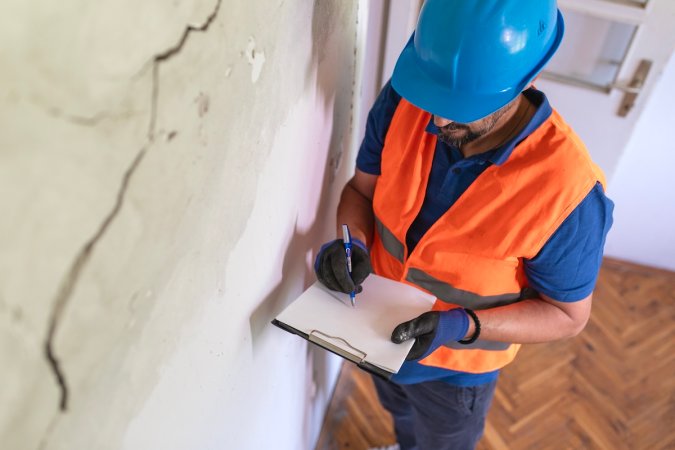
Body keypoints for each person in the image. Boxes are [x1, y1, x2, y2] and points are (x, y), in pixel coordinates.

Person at [314, 1, 614, 449]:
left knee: (444, 442)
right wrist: (350, 244)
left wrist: (462, 326)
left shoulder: (568, 193)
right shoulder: (407, 97)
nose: (436, 120)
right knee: (399, 416)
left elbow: (567, 316)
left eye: (460, 108)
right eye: (434, 100)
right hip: (373, 333)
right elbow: (359, 193)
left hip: (456, 374)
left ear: (523, 81)